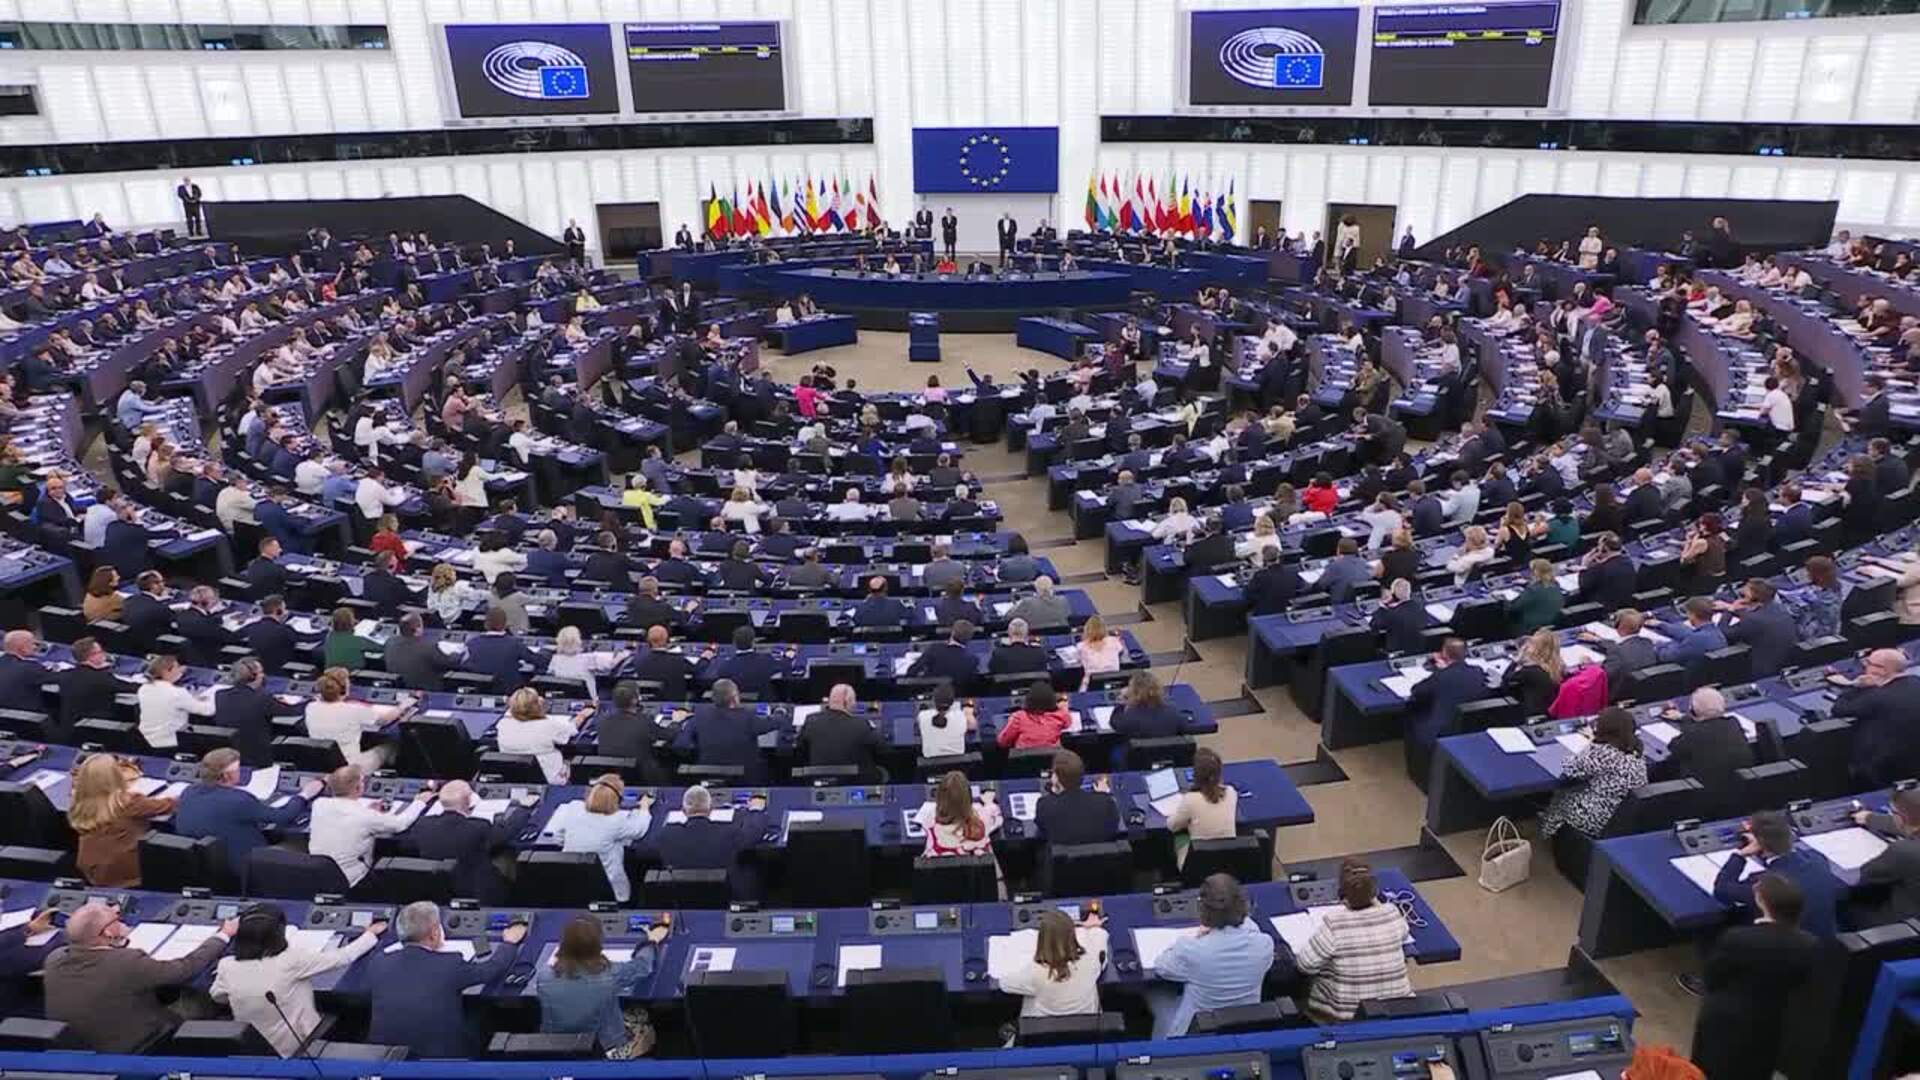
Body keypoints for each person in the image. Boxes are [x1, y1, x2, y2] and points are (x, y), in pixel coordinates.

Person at [43, 901, 236, 1052]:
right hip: (133, 1045)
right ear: (108, 932)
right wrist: (223, 935)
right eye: (116, 920)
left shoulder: (54, 959)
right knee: (198, 999)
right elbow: (186, 968)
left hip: (80, 1046)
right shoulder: (126, 962)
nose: (122, 923)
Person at [1687, 873, 1820, 1080]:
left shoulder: (1738, 938)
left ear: (1761, 901)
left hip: (1725, 1022)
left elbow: (1713, 976)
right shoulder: (1810, 945)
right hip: (1773, 1023)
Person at [211, 902, 385, 1057]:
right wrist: (370, 934)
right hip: (298, 1046)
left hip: (251, 1047)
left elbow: (218, 996)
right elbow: (343, 957)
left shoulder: (226, 965)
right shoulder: (291, 961)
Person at [364, 900, 527, 1058]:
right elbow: (491, 969)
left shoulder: (378, 962)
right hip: (440, 1057)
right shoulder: (449, 963)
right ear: (435, 933)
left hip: (386, 1057)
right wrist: (510, 943)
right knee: (479, 1018)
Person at [1149, 873, 1277, 1036]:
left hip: (1195, 1034)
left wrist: (1195, 938)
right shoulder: (1264, 945)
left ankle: (1160, 1048)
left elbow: (1161, 966)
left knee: (1154, 993)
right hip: (1243, 1030)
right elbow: (1251, 927)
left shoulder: (1191, 949)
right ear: (1243, 905)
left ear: (1202, 910)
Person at [174, 748, 324, 880]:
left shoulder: (188, 792)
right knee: (300, 844)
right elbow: (284, 816)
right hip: (247, 865)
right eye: (237, 770)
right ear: (226, 776)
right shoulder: (239, 800)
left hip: (209, 868)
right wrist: (304, 795)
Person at [1295, 859, 1414, 1022]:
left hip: (1349, 1015)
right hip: (1399, 1007)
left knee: (1315, 976)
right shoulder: (1392, 913)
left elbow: (1305, 965)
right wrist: (1374, 901)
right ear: (1374, 891)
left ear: (1343, 894)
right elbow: (1404, 933)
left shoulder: (1334, 924)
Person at [536, 913, 668, 1058]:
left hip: (556, 1050)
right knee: (643, 1018)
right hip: (605, 1052)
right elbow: (643, 966)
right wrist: (652, 941)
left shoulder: (544, 975)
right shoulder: (610, 973)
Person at [1707, 810, 1840, 941]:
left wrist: (1740, 855)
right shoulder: (1817, 859)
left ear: (1758, 844)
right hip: (1825, 945)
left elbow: (1721, 889)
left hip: (1789, 949)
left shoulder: (1766, 885)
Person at [404, 780, 538, 904]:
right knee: (507, 857)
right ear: (469, 801)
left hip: (438, 893)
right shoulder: (478, 826)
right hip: (479, 891)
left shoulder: (423, 824)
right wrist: (524, 808)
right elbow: (506, 833)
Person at [308, 764, 433, 885]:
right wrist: (419, 802)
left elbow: (347, 816)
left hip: (319, 876)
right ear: (358, 788)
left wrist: (369, 812)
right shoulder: (365, 816)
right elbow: (400, 824)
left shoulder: (319, 804)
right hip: (353, 880)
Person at [637, 784, 768, 899]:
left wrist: (644, 807)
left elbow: (646, 842)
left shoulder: (667, 834)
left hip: (680, 898)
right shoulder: (727, 832)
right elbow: (754, 832)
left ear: (683, 811)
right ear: (711, 809)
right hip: (723, 897)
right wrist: (756, 809)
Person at [1537, 708, 1648, 839]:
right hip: (1618, 816)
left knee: (1561, 795)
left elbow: (1569, 767)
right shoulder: (1635, 748)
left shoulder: (1604, 753)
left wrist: (1592, 742)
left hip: (1594, 819)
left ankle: (1547, 832)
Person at [68, 752, 176, 887]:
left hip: (93, 870)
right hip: (125, 872)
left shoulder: (79, 803)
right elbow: (169, 805)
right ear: (115, 776)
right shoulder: (127, 802)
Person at [550, 774, 655, 902]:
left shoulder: (573, 808)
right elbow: (639, 830)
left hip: (572, 885)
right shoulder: (616, 821)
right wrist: (645, 806)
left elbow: (558, 837)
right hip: (610, 891)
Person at [996, 908, 1110, 1019]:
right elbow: (1100, 937)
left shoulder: (1034, 972)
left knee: (1029, 997)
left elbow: (1004, 984)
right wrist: (1094, 927)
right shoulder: (1092, 959)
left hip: (1045, 1026)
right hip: (1087, 1024)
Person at [1829, 648, 1920, 787]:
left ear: (1881, 670)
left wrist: (1856, 686)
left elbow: (1839, 709)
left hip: (1884, 769)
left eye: (1868, 663)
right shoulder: (1916, 681)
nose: (1864, 666)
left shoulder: (1877, 697)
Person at [1651, 687, 1753, 800]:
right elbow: (1707, 728)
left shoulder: (1693, 734)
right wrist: (1683, 717)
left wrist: (1686, 720)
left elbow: (1674, 746)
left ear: (1693, 711)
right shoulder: (1733, 723)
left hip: (1704, 799)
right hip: (1740, 795)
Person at [675, 678, 782, 782]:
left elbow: (681, 745)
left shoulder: (699, 715)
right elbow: (774, 723)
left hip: (708, 774)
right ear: (734, 698)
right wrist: (779, 712)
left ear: (713, 697)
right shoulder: (747, 717)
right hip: (745, 778)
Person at [305, 668, 410, 771]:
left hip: (323, 764)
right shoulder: (353, 710)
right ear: (343, 690)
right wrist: (404, 706)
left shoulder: (310, 707)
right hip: (352, 768)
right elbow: (385, 719)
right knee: (391, 745)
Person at [1851, 788, 1920, 927]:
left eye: (1893, 812)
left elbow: (1868, 875)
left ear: (1900, 818)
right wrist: (1871, 818)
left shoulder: (1904, 851)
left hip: (1906, 926)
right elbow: (1910, 824)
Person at [1406, 637, 1489, 751]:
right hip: (1467, 726)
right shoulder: (1477, 671)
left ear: (1444, 653)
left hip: (1439, 729)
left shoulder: (1441, 676)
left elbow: (1416, 691)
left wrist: (1440, 671)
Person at [496, 687, 592, 784]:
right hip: (551, 779)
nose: (541, 699)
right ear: (535, 706)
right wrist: (582, 715)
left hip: (515, 778)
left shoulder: (502, 724)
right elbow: (572, 728)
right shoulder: (548, 725)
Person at [914, 770, 1004, 866]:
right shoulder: (982, 817)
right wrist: (989, 802)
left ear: (939, 797)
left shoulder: (929, 817)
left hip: (937, 873)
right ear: (969, 797)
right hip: (977, 874)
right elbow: (998, 819)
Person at [1167, 747, 1238, 867]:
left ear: (1195, 775)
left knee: (1179, 837)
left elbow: (1172, 826)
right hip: (1226, 863)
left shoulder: (1190, 799)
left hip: (1197, 865)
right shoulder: (1231, 793)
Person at [1034, 749, 1119, 848]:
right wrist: (1103, 795)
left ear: (1056, 778)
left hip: (1061, 858)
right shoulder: (1106, 804)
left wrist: (1054, 793)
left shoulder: (1045, 806)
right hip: (1101, 857)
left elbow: (1042, 828)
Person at [798, 683, 884, 778]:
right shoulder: (862, 725)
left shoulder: (810, 721)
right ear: (847, 701)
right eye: (854, 701)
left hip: (818, 779)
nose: (854, 704)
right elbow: (881, 749)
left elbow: (800, 749)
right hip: (854, 781)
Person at [136, 653, 216, 749]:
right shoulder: (177, 693)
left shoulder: (143, 689)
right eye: (177, 667)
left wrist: (192, 699)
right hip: (170, 742)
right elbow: (208, 711)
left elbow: (167, 701)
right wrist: (215, 698)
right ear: (167, 671)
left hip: (146, 739)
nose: (181, 670)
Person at [1502, 628, 1565, 717]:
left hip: (1531, 714)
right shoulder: (1559, 667)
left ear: (1536, 649)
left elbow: (1506, 679)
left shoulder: (1530, 671)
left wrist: (1516, 661)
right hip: (1550, 713)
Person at [998, 680, 1073, 750]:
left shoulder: (1018, 717)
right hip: (1051, 758)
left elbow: (1003, 742)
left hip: (1024, 758)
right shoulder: (1060, 716)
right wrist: (1063, 707)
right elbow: (1068, 723)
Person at [1506, 557, 1565, 635]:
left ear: (1535, 573)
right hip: (1549, 621)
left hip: (1529, 627)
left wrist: (1504, 601)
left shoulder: (1533, 590)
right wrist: (1528, 584)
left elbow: (1514, 608)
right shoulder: (1556, 585)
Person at [322, 605, 378, 669]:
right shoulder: (356, 639)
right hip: (354, 673)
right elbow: (378, 648)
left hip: (332, 672)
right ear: (351, 623)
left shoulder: (329, 636)